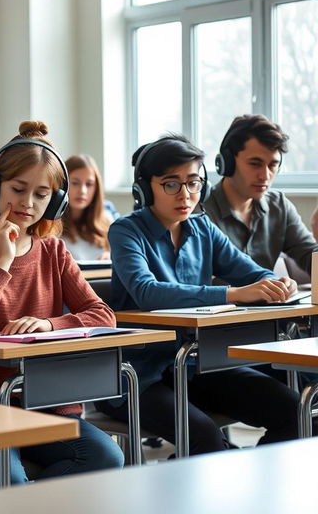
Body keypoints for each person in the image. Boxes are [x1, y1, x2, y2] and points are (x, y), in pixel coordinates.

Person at [0, 121, 124, 484]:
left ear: (55, 202)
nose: (27, 203)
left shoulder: (54, 250)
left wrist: (50, 324)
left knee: (107, 456)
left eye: (41, 195)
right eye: (18, 189)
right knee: (14, 483)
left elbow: (103, 315)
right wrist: (3, 262)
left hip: (46, 402)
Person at [95, 134, 302, 455]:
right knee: (205, 437)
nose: (185, 194)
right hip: (139, 378)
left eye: (194, 183)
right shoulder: (126, 229)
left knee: (295, 409)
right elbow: (147, 292)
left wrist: (276, 283)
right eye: (171, 184)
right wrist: (233, 293)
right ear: (144, 188)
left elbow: (252, 272)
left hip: (197, 367)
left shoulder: (202, 228)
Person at [205, 114, 318, 278]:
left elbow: (309, 258)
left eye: (273, 165)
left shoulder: (279, 206)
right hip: (221, 303)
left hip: (269, 302)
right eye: (255, 164)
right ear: (226, 163)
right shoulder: (200, 212)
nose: (265, 176)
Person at [61, 154, 116, 260]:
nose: (82, 191)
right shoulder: (51, 226)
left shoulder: (107, 219)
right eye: (75, 183)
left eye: (89, 184)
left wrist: (112, 256)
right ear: (62, 184)